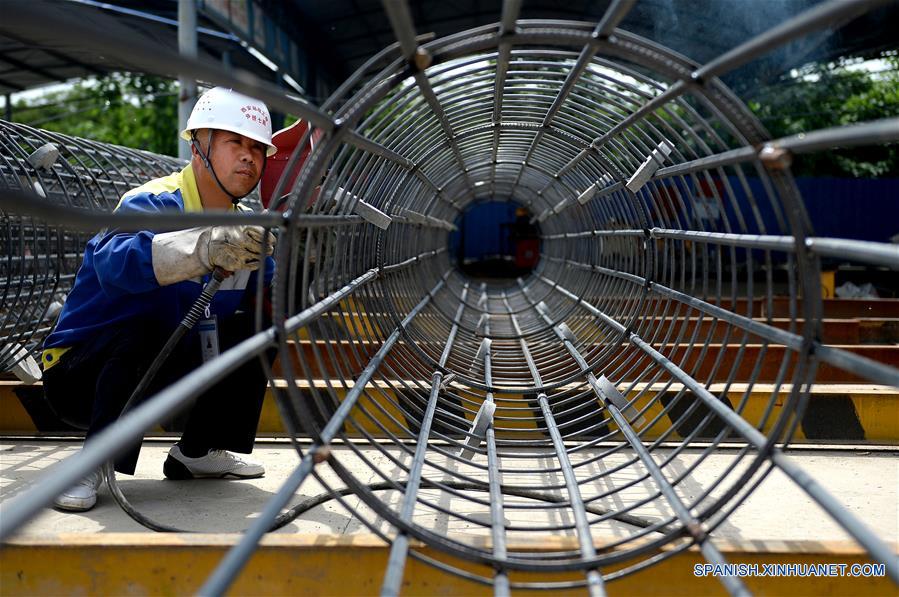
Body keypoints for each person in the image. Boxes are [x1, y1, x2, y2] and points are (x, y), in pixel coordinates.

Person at [42, 87, 278, 512]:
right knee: (151, 319)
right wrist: (200, 249)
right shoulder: (151, 203)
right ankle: (92, 462)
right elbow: (112, 265)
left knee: (256, 330)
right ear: (199, 147)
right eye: (235, 143)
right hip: (80, 374)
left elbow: (269, 294)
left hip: (162, 367)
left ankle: (198, 451)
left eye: (258, 148)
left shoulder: (246, 230)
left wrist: (298, 257)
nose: (249, 156)